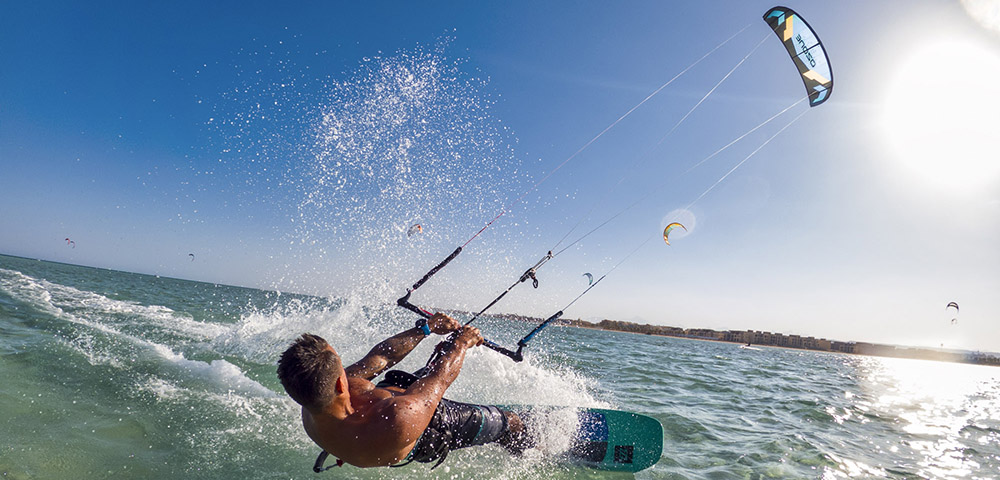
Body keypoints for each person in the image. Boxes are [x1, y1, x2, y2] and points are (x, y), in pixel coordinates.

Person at [276, 313, 530, 469]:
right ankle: (529, 448)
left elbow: (379, 358)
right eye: (342, 366)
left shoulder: (311, 391)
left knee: (427, 364)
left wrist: (426, 328)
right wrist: (463, 343)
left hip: (395, 401)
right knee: (510, 420)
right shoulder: (397, 419)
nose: (348, 369)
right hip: (426, 430)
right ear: (340, 385)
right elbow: (439, 380)